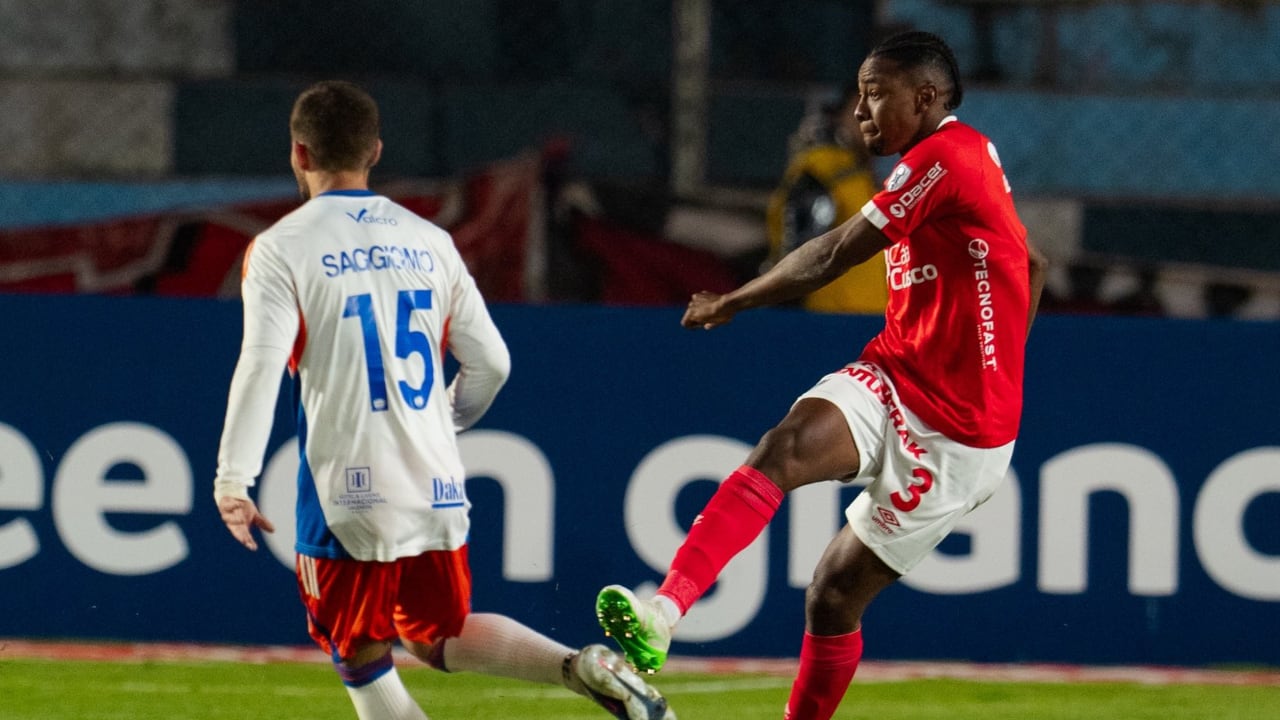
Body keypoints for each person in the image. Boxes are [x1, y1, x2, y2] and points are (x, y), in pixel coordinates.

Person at [595, 31, 1048, 720]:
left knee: (834, 597)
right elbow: (1032, 265)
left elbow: (835, 250)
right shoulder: (967, 156)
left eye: (874, 95)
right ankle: (663, 613)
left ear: (925, 98)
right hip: (895, 375)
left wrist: (733, 299)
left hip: (960, 438)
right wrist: (994, 350)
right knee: (788, 445)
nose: (859, 113)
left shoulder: (945, 158)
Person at [213, 80, 675, 720]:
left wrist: (233, 477)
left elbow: (262, 363)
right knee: (433, 634)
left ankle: (579, 670)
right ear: (375, 151)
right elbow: (493, 362)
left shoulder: (282, 248)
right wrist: (437, 421)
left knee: (359, 651)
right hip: (436, 483)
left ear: (298, 154)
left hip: (349, 489)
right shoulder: (429, 240)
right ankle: (578, 667)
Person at [764, 83, 887, 314]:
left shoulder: (865, 178)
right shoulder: (821, 171)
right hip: (830, 322)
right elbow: (797, 257)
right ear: (840, 115)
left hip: (873, 324)